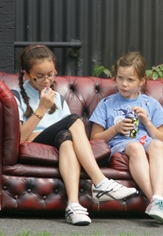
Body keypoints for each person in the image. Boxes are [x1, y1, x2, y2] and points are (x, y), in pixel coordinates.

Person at [12, 45, 138, 226]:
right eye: (39, 76)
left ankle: (73, 205)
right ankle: (100, 182)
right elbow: (20, 138)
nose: (47, 80)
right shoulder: (16, 97)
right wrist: (41, 109)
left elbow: (65, 132)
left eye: (51, 74)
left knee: (67, 139)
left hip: (59, 141)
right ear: (26, 74)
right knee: (73, 120)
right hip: (36, 144)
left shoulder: (58, 98)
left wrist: (38, 131)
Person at [89, 51, 163, 225]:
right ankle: (158, 202)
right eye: (120, 78)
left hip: (147, 141)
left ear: (141, 81)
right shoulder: (106, 104)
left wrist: (146, 122)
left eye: (130, 80)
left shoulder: (151, 104)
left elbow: (162, 139)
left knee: (156, 146)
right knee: (135, 146)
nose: (124, 84)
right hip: (120, 145)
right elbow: (94, 138)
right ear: (115, 77)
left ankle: (156, 200)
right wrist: (115, 129)